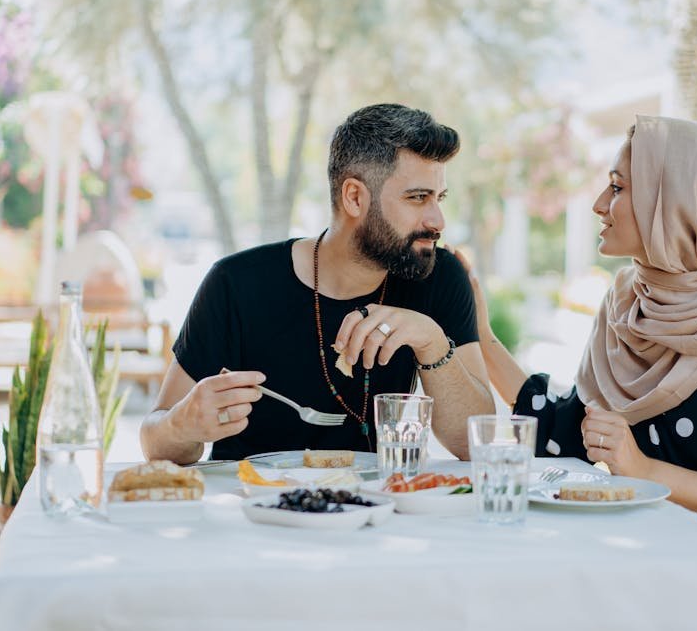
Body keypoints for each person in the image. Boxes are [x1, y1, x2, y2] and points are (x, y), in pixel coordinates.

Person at [458, 115, 697, 630]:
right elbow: (564, 434)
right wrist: (481, 335)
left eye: (618, 187)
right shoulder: (630, 305)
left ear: (674, 203)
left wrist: (643, 470)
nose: (600, 204)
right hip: (667, 558)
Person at [142, 103, 493, 465]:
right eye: (418, 198)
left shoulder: (438, 273)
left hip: (380, 513)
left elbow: (476, 445)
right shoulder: (236, 283)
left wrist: (433, 343)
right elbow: (156, 444)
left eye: (439, 198)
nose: (438, 220)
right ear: (354, 197)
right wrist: (184, 425)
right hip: (252, 512)